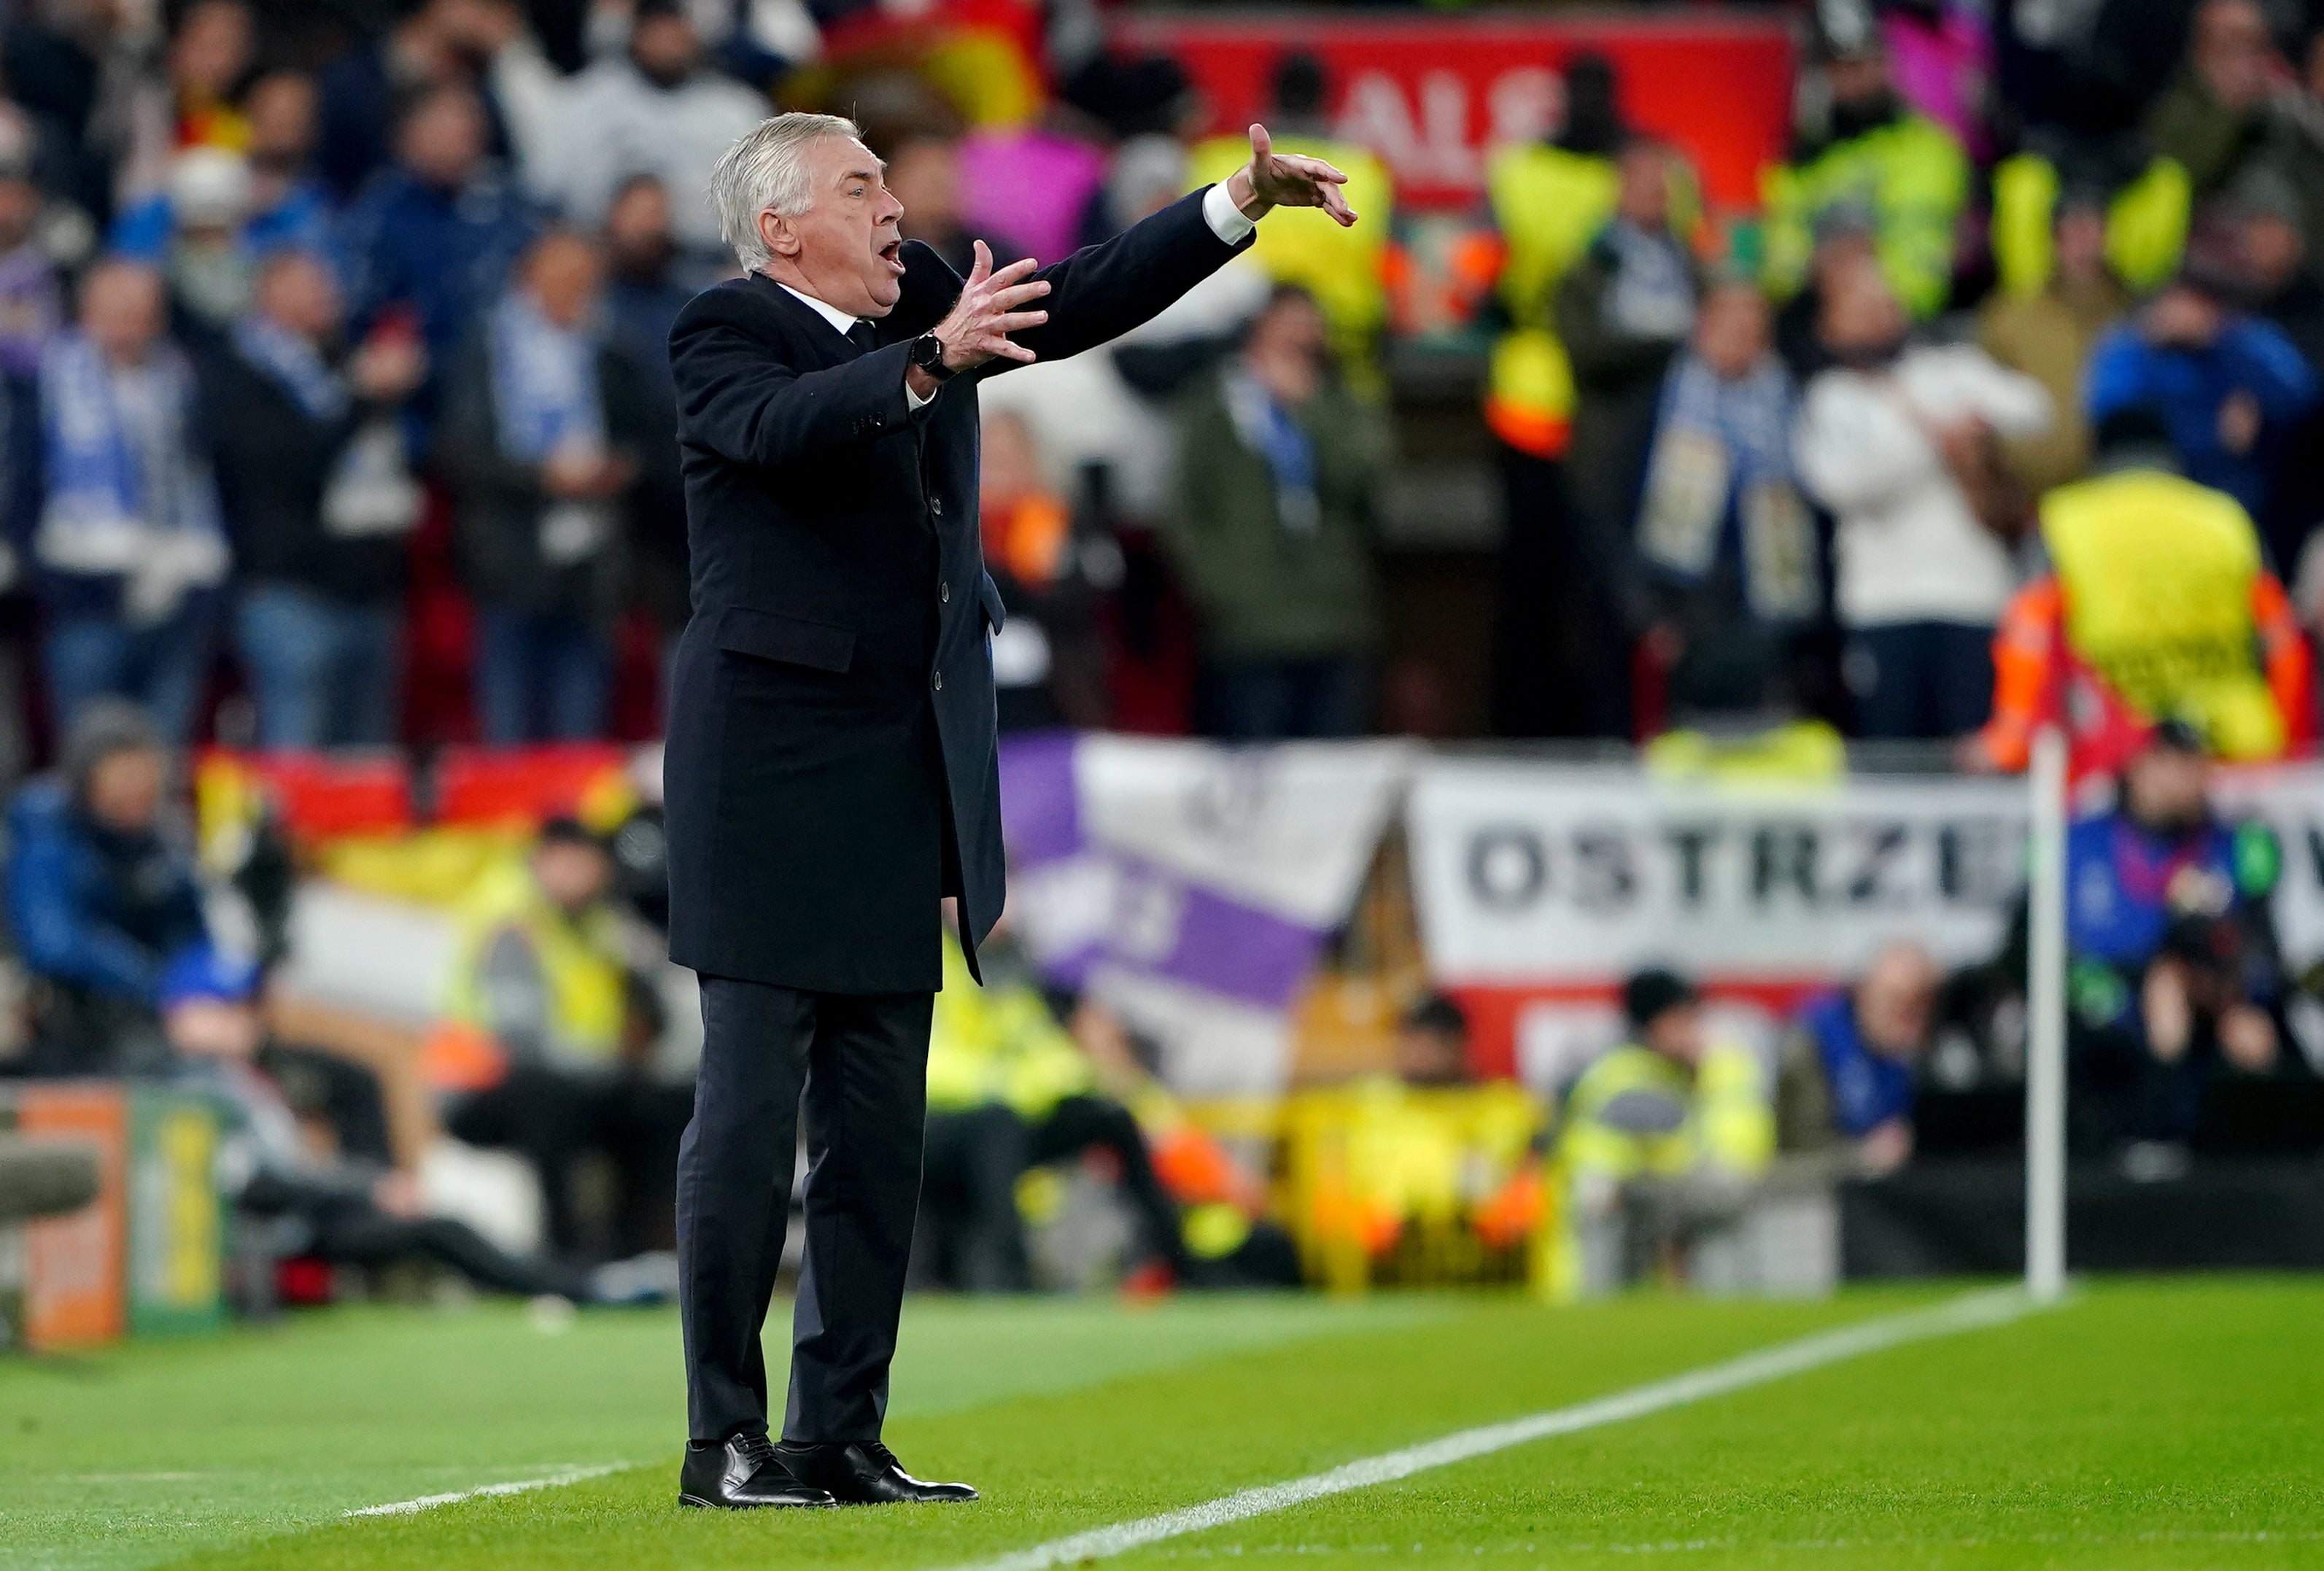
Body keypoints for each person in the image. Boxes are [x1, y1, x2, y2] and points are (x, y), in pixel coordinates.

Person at [663, 111, 1354, 1509]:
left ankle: (838, 1431)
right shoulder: (723, 329)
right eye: (860, 185)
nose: (892, 201)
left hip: (898, 753)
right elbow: (780, 431)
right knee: (745, 1115)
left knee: (877, 1125)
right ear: (782, 226)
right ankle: (721, 1435)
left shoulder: (925, 295)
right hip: (769, 762)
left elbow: (1078, 295)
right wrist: (927, 362)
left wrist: (1231, 203)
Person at [163, 942, 639, 1305]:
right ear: (181, 1016)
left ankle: (575, 1283)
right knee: (438, 1228)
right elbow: (254, 1182)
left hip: (301, 1217)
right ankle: (583, 1289)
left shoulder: (241, 1077)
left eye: (247, 1006)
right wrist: (366, 1189)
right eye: (224, 1007)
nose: (244, 1020)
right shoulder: (185, 1089)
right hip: (270, 1238)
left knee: (436, 1220)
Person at [1970, 406, 2315, 773]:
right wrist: (2291, 741)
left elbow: (2030, 639)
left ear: (2097, 455)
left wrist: (2012, 742)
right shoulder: (2225, 518)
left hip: (2112, 752)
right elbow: (2282, 643)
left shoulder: (2064, 521)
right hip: (2236, 750)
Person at [1792, 257, 2052, 740]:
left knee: (1972, 748)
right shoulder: (1831, 398)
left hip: (1975, 596)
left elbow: (2035, 411)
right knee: (1895, 755)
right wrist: (1938, 439)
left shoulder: (1950, 370)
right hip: (1883, 604)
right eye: (1857, 310)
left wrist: (1965, 426)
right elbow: (1839, 484)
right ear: (1830, 325)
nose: (1873, 320)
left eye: (1881, 306)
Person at [428, 818, 691, 1264]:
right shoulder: (511, 918)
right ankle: (565, 1255)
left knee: (664, 1103)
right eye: (574, 862)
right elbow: (522, 1039)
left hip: (577, 1078)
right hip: (479, 1082)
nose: (586, 876)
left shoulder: (600, 923)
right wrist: (607, 1070)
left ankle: (636, 1252)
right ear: (546, 859)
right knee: (549, 1096)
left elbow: (655, 1005)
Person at [202, 249, 425, 749]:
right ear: (267, 297)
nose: (326, 299)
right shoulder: (239, 373)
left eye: (326, 287)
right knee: (297, 762)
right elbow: (288, 470)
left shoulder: (340, 361)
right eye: (308, 288)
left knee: (365, 771)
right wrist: (363, 397)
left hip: (367, 589)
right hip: (292, 594)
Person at [438, 228, 653, 743]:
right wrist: (542, 475)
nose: (576, 292)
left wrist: (618, 467)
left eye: (586, 281)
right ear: (529, 279)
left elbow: (645, 433)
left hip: (591, 559)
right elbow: (461, 452)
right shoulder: (488, 348)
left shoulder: (610, 349)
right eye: (563, 279)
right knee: (507, 721)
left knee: (581, 720)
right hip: (510, 554)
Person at [1161, 285, 1386, 740]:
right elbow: (1183, 510)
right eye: (1287, 327)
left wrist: (1310, 410)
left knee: (1331, 767)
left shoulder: (1340, 402)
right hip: (1246, 628)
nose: (1298, 342)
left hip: (1333, 619)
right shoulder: (1215, 406)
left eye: (1309, 330)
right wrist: (1221, 587)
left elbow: (1364, 482)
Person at [2058, 721, 2294, 1150]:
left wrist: (2230, 999)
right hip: (2103, 1023)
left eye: (2193, 763)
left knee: (2254, 1034)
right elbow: (2038, 953)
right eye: (2167, 762)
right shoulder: (2075, 842)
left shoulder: (2239, 847)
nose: (2184, 777)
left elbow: (2263, 954)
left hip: (2208, 1019)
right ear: (2135, 767)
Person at [1480, 52, 1627, 738]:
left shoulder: (1520, 172)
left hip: (1559, 387)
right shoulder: (1644, 168)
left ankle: (1546, 731)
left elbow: (1479, 279)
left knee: (1562, 588)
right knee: (1556, 587)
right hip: (1574, 397)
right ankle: (1563, 732)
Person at [915, 929, 1189, 1292]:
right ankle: (1007, 1277)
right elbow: (928, 1062)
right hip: (937, 1123)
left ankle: (1177, 1263)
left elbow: (1040, 1046)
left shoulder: (1011, 965)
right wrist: (1008, 1084)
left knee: (1110, 1118)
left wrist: (1090, 1082)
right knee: (997, 1128)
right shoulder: (929, 960)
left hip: (1012, 1110)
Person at [33, 259, 227, 745]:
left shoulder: (182, 377)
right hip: (85, 597)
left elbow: (204, 473)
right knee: (90, 750)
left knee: (165, 748)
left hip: (176, 589)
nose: (127, 327)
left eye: (140, 314)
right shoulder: (44, 377)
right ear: (86, 314)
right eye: (114, 313)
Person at [1554, 139, 1703, 736]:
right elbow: (1587, 351)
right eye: (1642, 186)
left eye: (1662, 187)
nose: (1654, 199)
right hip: (1608, 467)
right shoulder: (1590, 270)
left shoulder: (1690, 263)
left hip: (1683, 460)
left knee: (1677, 620)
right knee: (1609, 620)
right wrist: (1669, 340)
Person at [1634, 279, 1815, 725]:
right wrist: (1648, 611)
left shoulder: (1791, 403)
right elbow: (1615, 511)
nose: (1742, 335)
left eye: (1754, 325)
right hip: (1685, 611)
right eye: (1730, 323)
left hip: (1771, 607)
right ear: (1702, 329)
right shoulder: (1662, 402)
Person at [5, 701, 207, 1075]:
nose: (134, 794)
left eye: (144, 780)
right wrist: (159, 988)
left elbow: (190, 931)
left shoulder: (160, 842)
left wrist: (202, 992)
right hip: (70, 1023)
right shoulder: (48, 841)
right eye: (121, 780)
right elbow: (56, 946)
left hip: (155, 1017)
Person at [1554, 969, 1773, 1299]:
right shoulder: (1619, 1076)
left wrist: (1704, 1077)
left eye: (1690, 1017)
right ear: (1648, 1026)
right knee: (1605, 1208)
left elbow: (1741, 1156)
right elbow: (1597, 1166)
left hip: (1701, 1203)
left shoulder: (1722, 1065)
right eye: (1675, 1019)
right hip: (1637, 1209)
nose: (1686, 1029)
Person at [1187, 52, 1395, 398]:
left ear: (1270, 95)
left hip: (1230, 363)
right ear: (1327, 99)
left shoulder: (1213, 161)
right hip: (1338, 364)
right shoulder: (1365, 173)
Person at [1763, 9, 1970, 322]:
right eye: (1840, 66)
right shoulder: (1798, 162)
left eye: (1865, 62)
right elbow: (1781, 269)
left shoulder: (1929, 146)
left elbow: (1928, 257)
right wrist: (1821, 273)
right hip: (1823, 325)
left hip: (1920, 323)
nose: (1855, 78)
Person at [338, 81, 541, 395]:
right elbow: (358, 310)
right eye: (445, 126)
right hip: (417, 393)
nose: (462, 138)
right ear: (408, 135)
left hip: (508, 386)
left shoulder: (511, 207)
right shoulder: (380, 213)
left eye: (469, 127)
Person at [534, 0, 767, 268]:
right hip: (598, 262)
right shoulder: (580, 100)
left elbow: (758, 210)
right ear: (635, 33)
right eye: (656, 31)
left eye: (674, 31)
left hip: (703, 264)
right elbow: (544, 193)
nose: (666, 43)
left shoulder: (737, 109)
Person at [2084, 270, 2317, 523]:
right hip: (2161, 488)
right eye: (2177, 304)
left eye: (2197, 305)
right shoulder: (2131, 347)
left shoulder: (2240, 340)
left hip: (2238, 493)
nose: (2185, 315)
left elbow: (2300, 390)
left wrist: (2230, 345)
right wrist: (2146, 343)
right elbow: (2111, 413)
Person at [1977, 189, 2132, 494]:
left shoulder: (2137, 316)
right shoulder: (2009, 316)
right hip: (2028, 493)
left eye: (2092, 233)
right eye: (2070, 234)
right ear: (2054, 242)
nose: (2083, 247)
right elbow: (1981, 395)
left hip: (2118, 489)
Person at [1777, 941, 1940, 1173]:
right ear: (1865, 993)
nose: (1912, 1026)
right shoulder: (1812, 1043)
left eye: (1920, 1009)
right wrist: (1860, 1157)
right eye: (1897, 1005)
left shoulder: (1914, 1056)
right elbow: (1794, 1155)